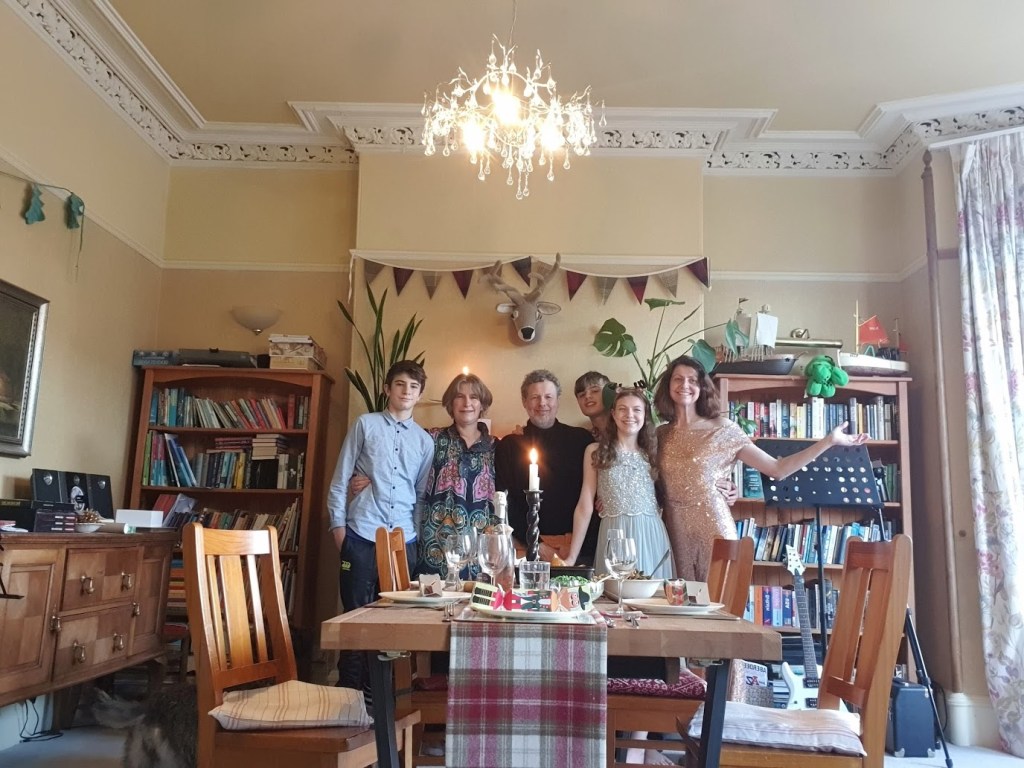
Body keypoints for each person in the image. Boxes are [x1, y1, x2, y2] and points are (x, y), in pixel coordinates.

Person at [654, 354, 868, 581]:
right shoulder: (660, 435)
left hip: (713, 529)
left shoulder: (723, 430)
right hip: (672, 532)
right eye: (678, 379)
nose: (684, 385)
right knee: (675, 607)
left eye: (692, 380)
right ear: (668, 386)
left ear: (702, 387)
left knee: (717, 606)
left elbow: (777, 469)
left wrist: (829, 441)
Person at [326, 360, 433, 692]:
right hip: (360, 535)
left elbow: (418, 494)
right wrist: (339, 530)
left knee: (393, 624)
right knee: (355, 619)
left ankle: (382, 701)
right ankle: (349, 696)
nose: (406, 392)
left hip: (403, 541)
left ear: (420, 394)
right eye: (400, 384)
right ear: (387, 389)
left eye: (413, 387)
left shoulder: (424, 442)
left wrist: (413, 542)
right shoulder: (365, 425)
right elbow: (341, 479)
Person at [564, 387, 673, 580]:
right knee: (615, 600)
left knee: (650, 599)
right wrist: (572, 557)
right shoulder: (595, 452)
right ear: (613, 414)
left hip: (650, 535)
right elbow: (585, 505)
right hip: (614, 536)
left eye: (636, 409)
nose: (629, 415)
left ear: (645, 414)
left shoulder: (653, 453)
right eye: (623, 409)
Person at [494, 370, 596, 563]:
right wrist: (537, 544)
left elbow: (589, 499)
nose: (542, 403)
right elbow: (506, 503)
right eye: (535, 397)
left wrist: (576, 548)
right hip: (525, 548)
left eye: (548, 396)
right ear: (525, 402)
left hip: (575, 547)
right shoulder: (509, 445)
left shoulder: (581, 440)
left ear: (557, 400)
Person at [418, 372, 498, 580]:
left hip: (482, 547)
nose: (466, 403)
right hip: (436, 545)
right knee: (432, 607)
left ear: (482, 404)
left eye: (474, 397)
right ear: (450, 403)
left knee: (478, 608)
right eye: (459, 397)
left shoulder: (497, 446)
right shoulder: (431, 438)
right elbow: (398, 459)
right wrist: (367, 476)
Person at [574, 371, 610, 437]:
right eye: (582, 395)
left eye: (595, 391)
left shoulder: (629, 429)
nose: (587, 396)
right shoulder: (582, 439)